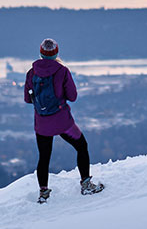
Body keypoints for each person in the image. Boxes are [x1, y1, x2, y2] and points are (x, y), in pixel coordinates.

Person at [24, 38, 104, 203]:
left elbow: (27, 98)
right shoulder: (62, 71)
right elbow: (73, 96)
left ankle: (43, 193)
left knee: (44, 157)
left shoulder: (31, 73)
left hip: (42, 123)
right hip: (62, 121)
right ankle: (86, 184)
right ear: (56, 53)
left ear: (40, 53)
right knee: (81, 146)